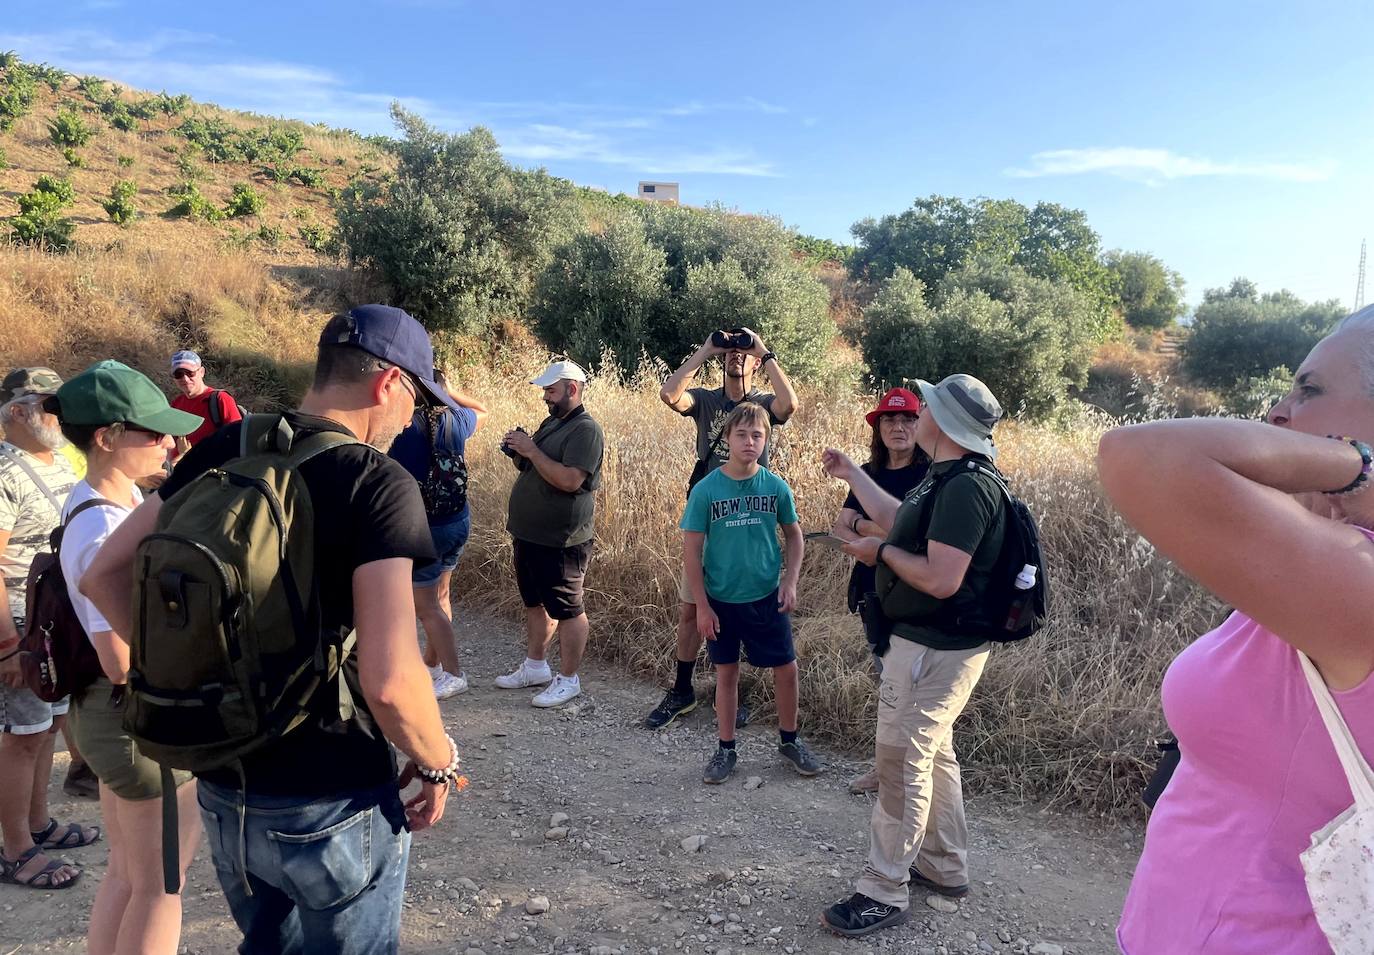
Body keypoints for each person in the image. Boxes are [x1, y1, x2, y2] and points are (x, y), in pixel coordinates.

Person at [81, 306, 458, 955]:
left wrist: (197, 674)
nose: (411, 420)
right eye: (419, 402)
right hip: (332, 800)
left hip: (228, 789)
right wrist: (437, 761)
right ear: (389, 383)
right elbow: (393, 680)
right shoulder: (378, 483)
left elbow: (104, 574)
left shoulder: (225, 449)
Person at [1099, 309, 1374, 953]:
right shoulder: (1330, 566)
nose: (1277, 412)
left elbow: (1139, 456)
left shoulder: (1356, 584)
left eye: (1308, 390)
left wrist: (1356, 466)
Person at [819, 373, 1007, 937]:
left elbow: (941, 578)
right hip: (923, 643)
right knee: (935, 754)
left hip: (937, 648)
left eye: (924, 406)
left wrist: (880, 554)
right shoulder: (943, 477)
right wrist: (853, 473)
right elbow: (902, 522)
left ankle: (884, 888)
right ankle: (944, 866)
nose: (915, 414)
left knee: (902, 760)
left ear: (943, 421)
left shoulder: (966, 487)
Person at [45, 361, 203, 952]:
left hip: (104, 717)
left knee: (128, 874)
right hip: (135, 721)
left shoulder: (99, 500)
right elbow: (119, 659)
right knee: (163, 886)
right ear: (107, 438)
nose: (169, 441)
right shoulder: (104, 526)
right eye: (153, 431)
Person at [646, 327, 799, 730]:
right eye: (729, 352)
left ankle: (729, 694)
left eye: (741, 351)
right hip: (709, 514)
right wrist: (706, 348)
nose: (735, 355)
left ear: (753, 362)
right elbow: (669, 394)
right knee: (691, 610)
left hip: (751, 518)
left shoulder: (762, 404)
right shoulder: (707, 400)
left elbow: (790, 403)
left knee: (745, 609)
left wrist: (762, 350)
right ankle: (682, 690)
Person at [681, 402, 819, 784]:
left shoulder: (775, 486)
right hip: (722, 599)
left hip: (765, 597)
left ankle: (789, 740)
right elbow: (691, 550)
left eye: (757, 435)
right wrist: (703, 607)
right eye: (741, 434)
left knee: (786, 668)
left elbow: (794, 535)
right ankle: (726, 748)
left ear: (766, 440)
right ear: (726, 438)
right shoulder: (707, 490)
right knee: (726, 674)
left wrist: (789, 581)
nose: (749, 441)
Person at [0, 367, 100, 892]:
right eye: (45, 405)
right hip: (18, 627)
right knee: (21, 737)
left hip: (51, 626)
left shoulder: (61, 461)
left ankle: (38, 825)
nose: (56, 415)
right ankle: (15, 850)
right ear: (16, 411)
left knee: (44, 730)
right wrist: (6, 646)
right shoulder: (4, 473)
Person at [832, 387, 929, 795]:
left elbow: (914, 534)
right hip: (873, 593)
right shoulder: (867, 475)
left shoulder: (931, 474)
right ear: (879, 428)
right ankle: (885, 771)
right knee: (887, 682)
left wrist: (865, 526)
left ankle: (910, 773)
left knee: (916, 689)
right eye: (889, 420)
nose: (898, 427)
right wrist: (876, 529)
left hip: (917, 594)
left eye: (907, 419)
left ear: (920, 425)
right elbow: (840, 526)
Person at [495, 360, 604, 709]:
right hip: (529, 534)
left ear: (572, 389)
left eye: (551, 390)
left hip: (562, 539)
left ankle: (569, 679)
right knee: (534, 602)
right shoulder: (552, 422)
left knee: (569, 608)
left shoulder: (586, 430)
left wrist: (532, 449)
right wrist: (518, 451)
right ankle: (535, 666)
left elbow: (571, 480)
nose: (545, 397)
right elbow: (534, 466)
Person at [388, 369, 488, 700]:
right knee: (441, 596)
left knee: (425, 605)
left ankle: (454, 673)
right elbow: (483, 411)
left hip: (424, 527)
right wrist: (453, 392)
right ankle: (432, 665)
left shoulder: (403, 428)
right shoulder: (456, 420)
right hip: (457, 521)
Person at [168, 350, 242, 449]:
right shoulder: (176, 404)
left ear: (202, 372)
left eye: (190, 373)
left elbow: (237, 440)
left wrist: (189, 456)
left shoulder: (220, 399)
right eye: (178, 374)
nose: (185, 379)